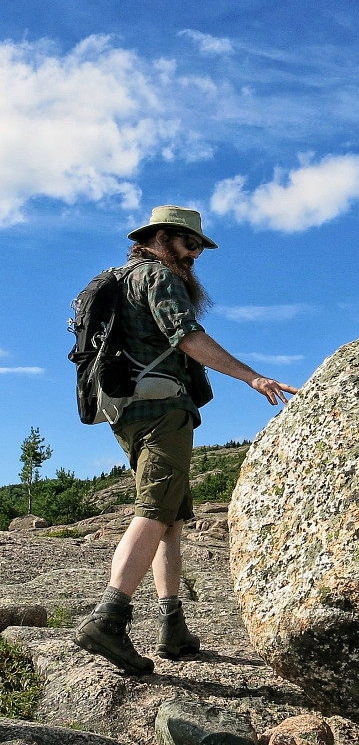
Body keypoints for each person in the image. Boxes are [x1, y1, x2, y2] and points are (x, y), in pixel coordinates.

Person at [73, 205, 298, 674]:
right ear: (160, 237)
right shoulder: (158, 277)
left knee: (172, 517)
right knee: (155, 513)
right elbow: (187, 336)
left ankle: (172, 625)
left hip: (127, 411)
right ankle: (108, 619)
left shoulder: (120, 279)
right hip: (161, 412)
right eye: (189, 243)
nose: (195, 255)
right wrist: (253, 378)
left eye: (199, 247)